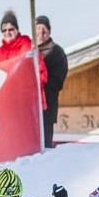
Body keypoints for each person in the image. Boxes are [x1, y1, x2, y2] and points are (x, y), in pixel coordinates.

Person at [0, 10, 48, 118]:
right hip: (8, 105)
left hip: (27, 103)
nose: (7, 32)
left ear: (17, 30)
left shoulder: (28, 47)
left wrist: (27, 88)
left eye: (11, 29)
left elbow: (42, 74)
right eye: (4, 30)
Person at [35, 15, 68, 149]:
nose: (41, 33)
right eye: (38, 28)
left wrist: (41, 85)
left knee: (45, 143)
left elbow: (58, 80)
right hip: (29, 107)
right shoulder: (28, 50)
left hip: (47, 105)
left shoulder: (57, 52)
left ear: (49, 31)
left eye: (44, 29)